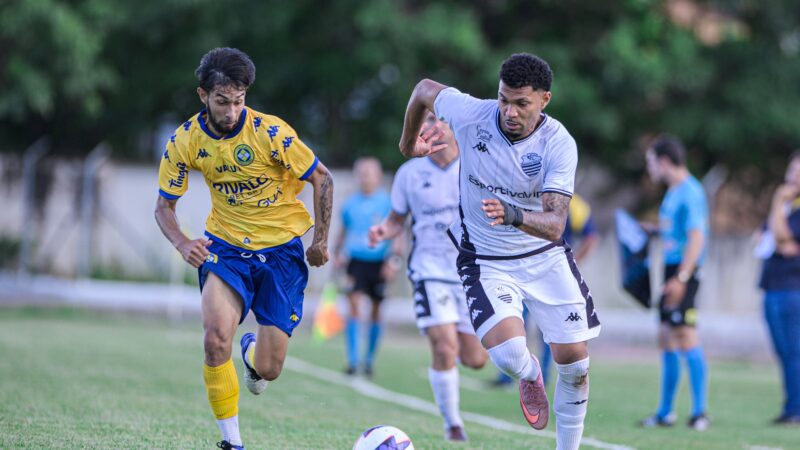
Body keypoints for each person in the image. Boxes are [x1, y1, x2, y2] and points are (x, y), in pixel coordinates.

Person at [399, 53, 601, 450]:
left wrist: (512, 214)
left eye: (521, 103)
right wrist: (407, 143)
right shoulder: (472, 114)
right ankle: (529, 375)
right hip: (486, 261)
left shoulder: (558, 144)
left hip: (545, 257)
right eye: (503, 99)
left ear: (545, 99)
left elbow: (556, 225)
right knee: (509, 356)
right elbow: (424, 89)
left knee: (576, 365)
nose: (509, 111)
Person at [154, 47, 333, 450]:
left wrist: (319, 241)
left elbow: (323, 178)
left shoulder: (271, 133)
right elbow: (164, 207)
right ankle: (232, 442)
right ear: (203, 96)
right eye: (222, 102)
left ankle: (253, 356)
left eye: (239, 101)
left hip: (283, 254)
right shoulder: (184, 141)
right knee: (216, 338)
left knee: (269, 371)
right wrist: (183, 242)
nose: (232, 111)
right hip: (226, 249)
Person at [368, 112, 488, 441]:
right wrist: (383, 230)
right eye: (420, 123)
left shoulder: (475, 167)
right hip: (429, 271)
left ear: (450, 124)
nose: (427, 127)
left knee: (476, 359)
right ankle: (453, 424)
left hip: (471, 275)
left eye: (433, 119)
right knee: (444, 347)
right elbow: (396, 220)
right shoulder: (409, 174)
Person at [640, 135, 710, 431]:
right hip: (672, 269)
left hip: (684, 272)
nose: (650, 168)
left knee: (684, 335)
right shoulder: (674, 191)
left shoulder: (691, 191)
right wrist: (656, 232)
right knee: (666, 336)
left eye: (651, 162)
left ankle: (699, 413)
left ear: (664, 161)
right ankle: (665, 413)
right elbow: (678, 232)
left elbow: (697, 237)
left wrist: (682, 277)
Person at [492, 193, 599, 387]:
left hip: (551, 276)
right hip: (521, 271)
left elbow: (591, 237)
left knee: (551, 331)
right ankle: (512, 375)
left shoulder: (576, 205)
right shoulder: (526, 194)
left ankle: (545, 376)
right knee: (514, 323)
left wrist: (574, 262)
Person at [333, 157, 396, 377]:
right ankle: (352, 360)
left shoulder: (388, 202)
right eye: (361, 173)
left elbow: (397, 233)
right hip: (355, 261)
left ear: (378, 176)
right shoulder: (350, 203)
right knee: (353, 307)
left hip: (379, 262)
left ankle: (369, 360)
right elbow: (343, 231)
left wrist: (394, 260)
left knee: (376, 311)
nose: (365, 177)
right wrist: (337, 253)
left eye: (369, 173)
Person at [759, 151, 800, 425]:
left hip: (791, 289)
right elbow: (766, 237)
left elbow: (783, 236)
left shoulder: (790, 207)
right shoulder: (788, 207)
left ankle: (796, 409)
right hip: (772, 286)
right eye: (791, 170)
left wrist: (777, 201)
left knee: (794, 351)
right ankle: (790, 406)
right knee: (783, 351)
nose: (792, 177)